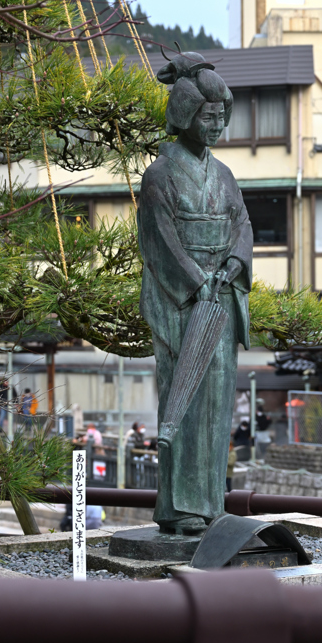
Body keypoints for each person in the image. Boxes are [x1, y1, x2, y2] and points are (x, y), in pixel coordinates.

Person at [138, 51, 252, 534]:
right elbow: (159, 239)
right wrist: (194, 278)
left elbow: (242, 223)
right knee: (183, 399)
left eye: (222, 116)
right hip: (183, 300)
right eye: (208, 115)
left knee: (218, 400)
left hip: (221, 296)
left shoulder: (223, 175)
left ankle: (210, 504)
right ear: (184, 114)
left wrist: (233, 262)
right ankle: (179, 507)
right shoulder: (159, 175)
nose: (216, 125)